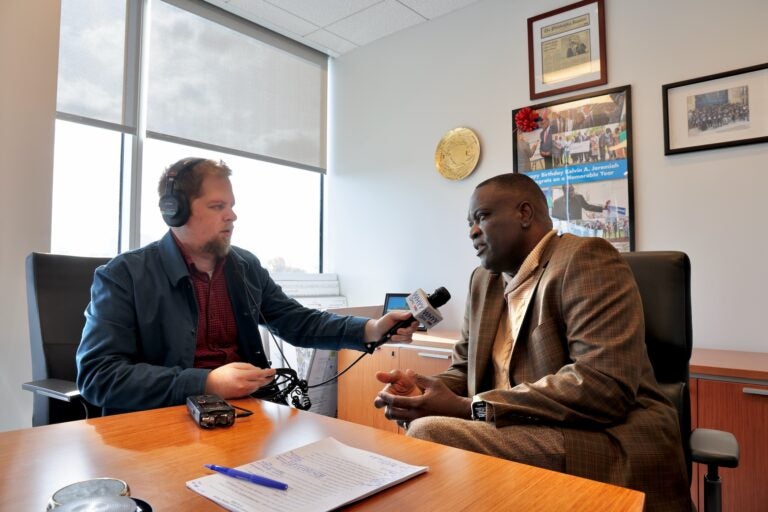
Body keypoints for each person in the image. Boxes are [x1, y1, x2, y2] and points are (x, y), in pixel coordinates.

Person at [373, 173, 691, 511]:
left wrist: (471, 407)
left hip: (601, 434)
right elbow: (465, 369)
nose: (472, 232)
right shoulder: (483, 281)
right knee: (426, 429)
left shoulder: (585, 259)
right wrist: (425, 392)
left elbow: (603, 386)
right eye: (469, 223)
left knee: (429, 433)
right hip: (516, 427)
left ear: (525, 214)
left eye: (481, 218)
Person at [76, 157, 417, 414]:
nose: (231, 216)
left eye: (232, 206)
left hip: (245, 412)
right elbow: (99, 376)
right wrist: (206, 382)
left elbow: (297, 322)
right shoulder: (122, 276)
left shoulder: (244, 267)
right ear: (174, 211)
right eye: (217, 206)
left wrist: (371, 329)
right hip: (163, 419)